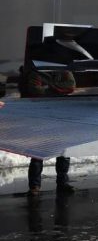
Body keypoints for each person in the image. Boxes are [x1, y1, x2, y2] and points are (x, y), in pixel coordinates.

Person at [19, 67, 76, 195]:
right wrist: (58, 89)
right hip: (41, 115)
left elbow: (71, 86)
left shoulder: (65, 70)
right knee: (38, 153)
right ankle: (34, 186)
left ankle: (63, 183)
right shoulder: (35, 72)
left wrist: (49, 88)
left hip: (60, 114)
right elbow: (35, 90)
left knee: (63, 152)